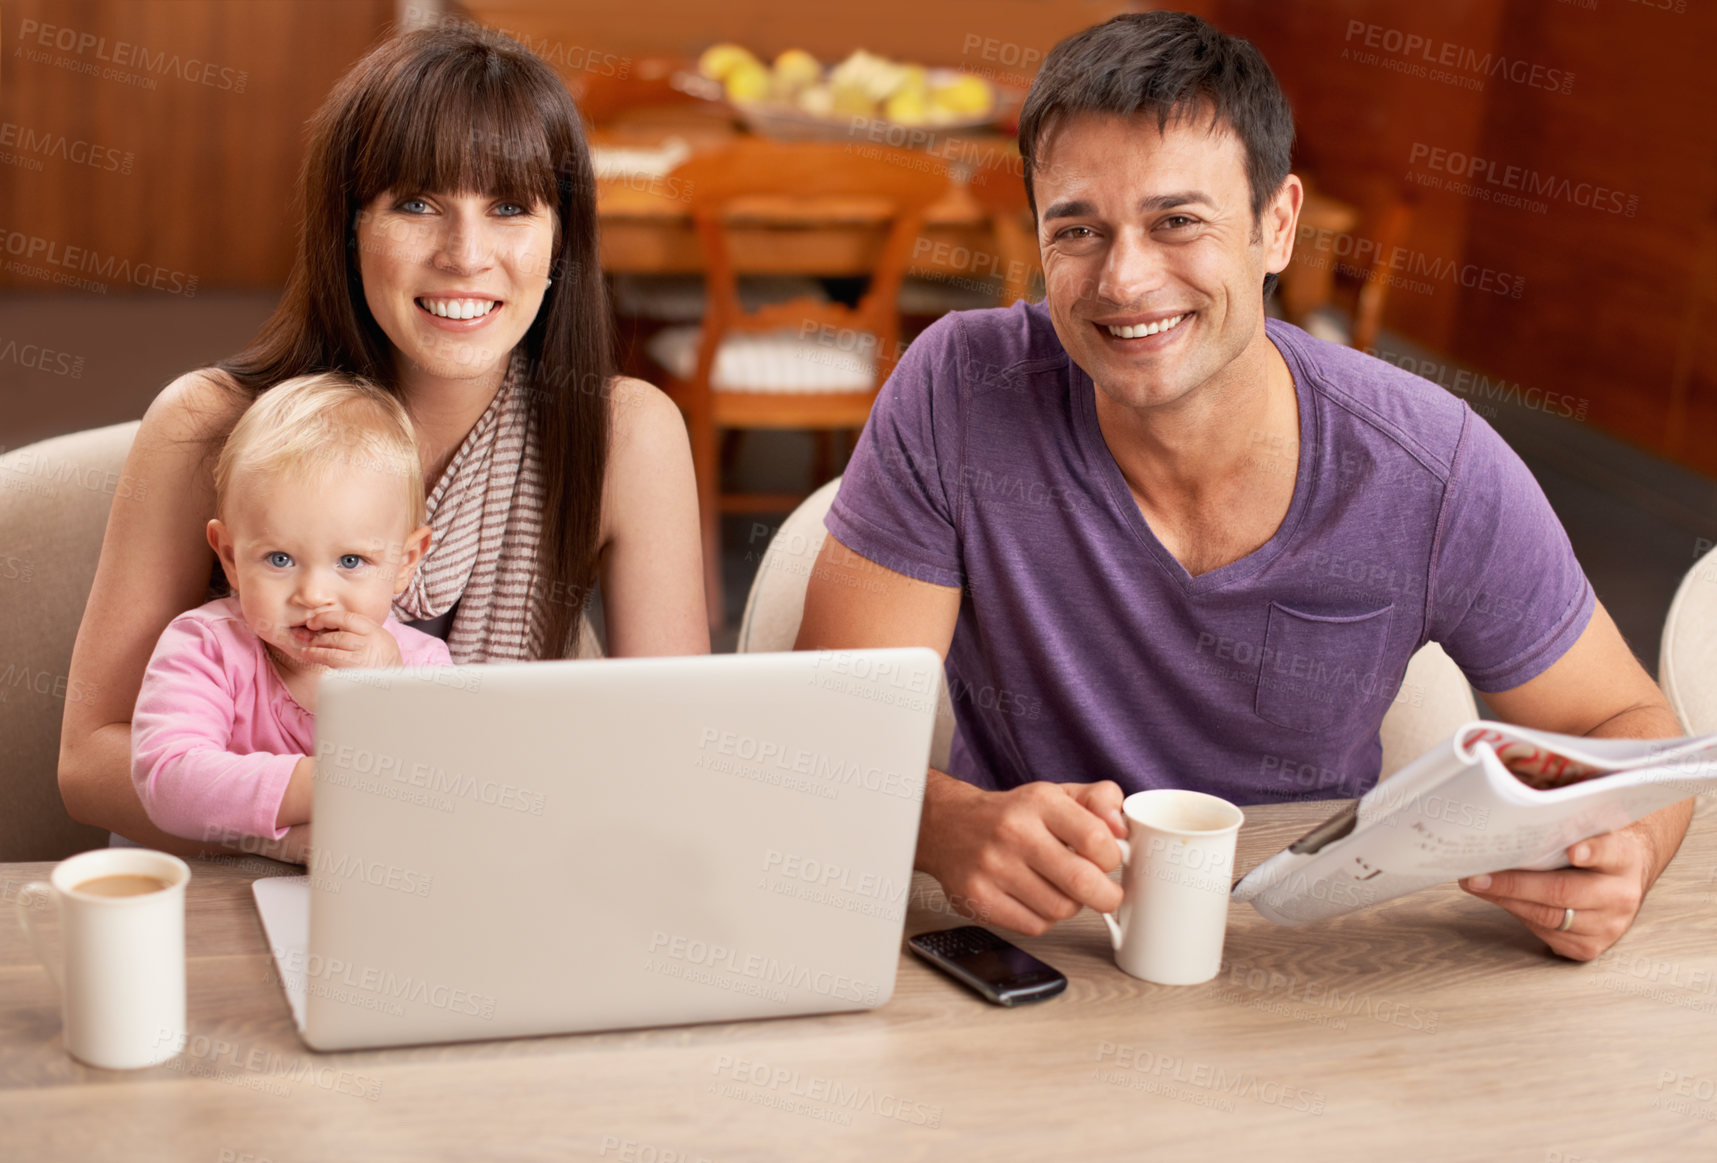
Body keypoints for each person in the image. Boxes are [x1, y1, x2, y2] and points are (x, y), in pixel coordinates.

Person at [795, 11, 1688, 961]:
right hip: (1030, 949)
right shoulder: (961, 392)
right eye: (1079, 230)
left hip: (1301, 961)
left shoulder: (1429, 466)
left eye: (1177, 221)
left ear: (1277, 226)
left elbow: (1631, 728)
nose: (1124, 278)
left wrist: (1623, 850)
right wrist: (945, 823)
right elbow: (818, 730)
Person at [60, 24, 708, 864]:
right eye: (416, 203)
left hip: (484, 881)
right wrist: (312, 831)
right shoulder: (206, 426)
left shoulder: (626, 434)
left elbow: (673, 753)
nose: (466, 255)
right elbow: (89, 764)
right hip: (232, 891)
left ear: (560, 242)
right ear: (347, 225)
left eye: (509, 207)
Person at [132, 373, 452, 849]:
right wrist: (338, 783)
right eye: (280, 559)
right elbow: (169, 782)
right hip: (205, 885)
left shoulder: (423, 665)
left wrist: (390, 689)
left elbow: (444, 790)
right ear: (230, 557)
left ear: (405, 562)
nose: (314, 595)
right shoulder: (206, 646)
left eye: (351, 561)